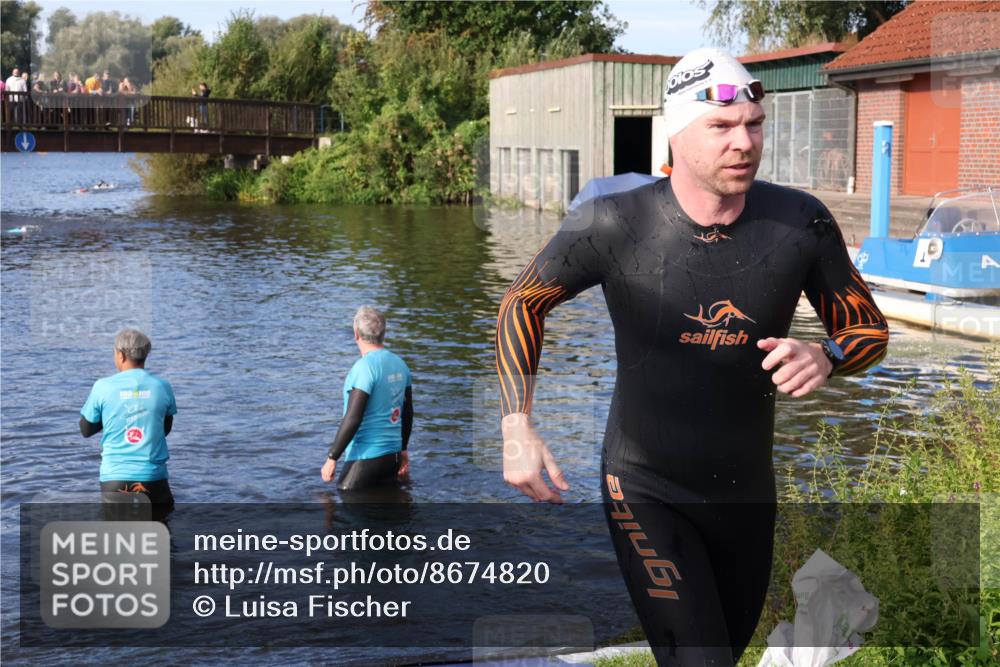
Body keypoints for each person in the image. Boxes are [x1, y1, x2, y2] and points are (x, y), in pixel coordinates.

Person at [495, 48, 888, 666]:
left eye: (755, 125)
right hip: (644, 482)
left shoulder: (800, 222)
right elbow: (522, 303)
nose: (744, 143)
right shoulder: (611, 221)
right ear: (677, 135)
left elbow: (868, 329)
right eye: (722, 127)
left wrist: (828, 354)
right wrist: (516, 422)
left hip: (746, 492)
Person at [80, 329, 178, 509]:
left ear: (121, 355)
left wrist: (113, 417)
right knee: (162, 532)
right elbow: (165, 430)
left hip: (115, 479)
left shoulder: (103, 386)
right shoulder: (162, 386)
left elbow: (86, 430)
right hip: (153, 477)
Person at [321, 306, 413, 491]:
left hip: (366, 458)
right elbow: (408, 412)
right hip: (392, 457)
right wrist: (403, 449)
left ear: (356, 333)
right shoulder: (400, 364)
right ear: (383, 333)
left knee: (343, 505)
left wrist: (332, 458)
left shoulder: (364, 368)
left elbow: (353, 417)